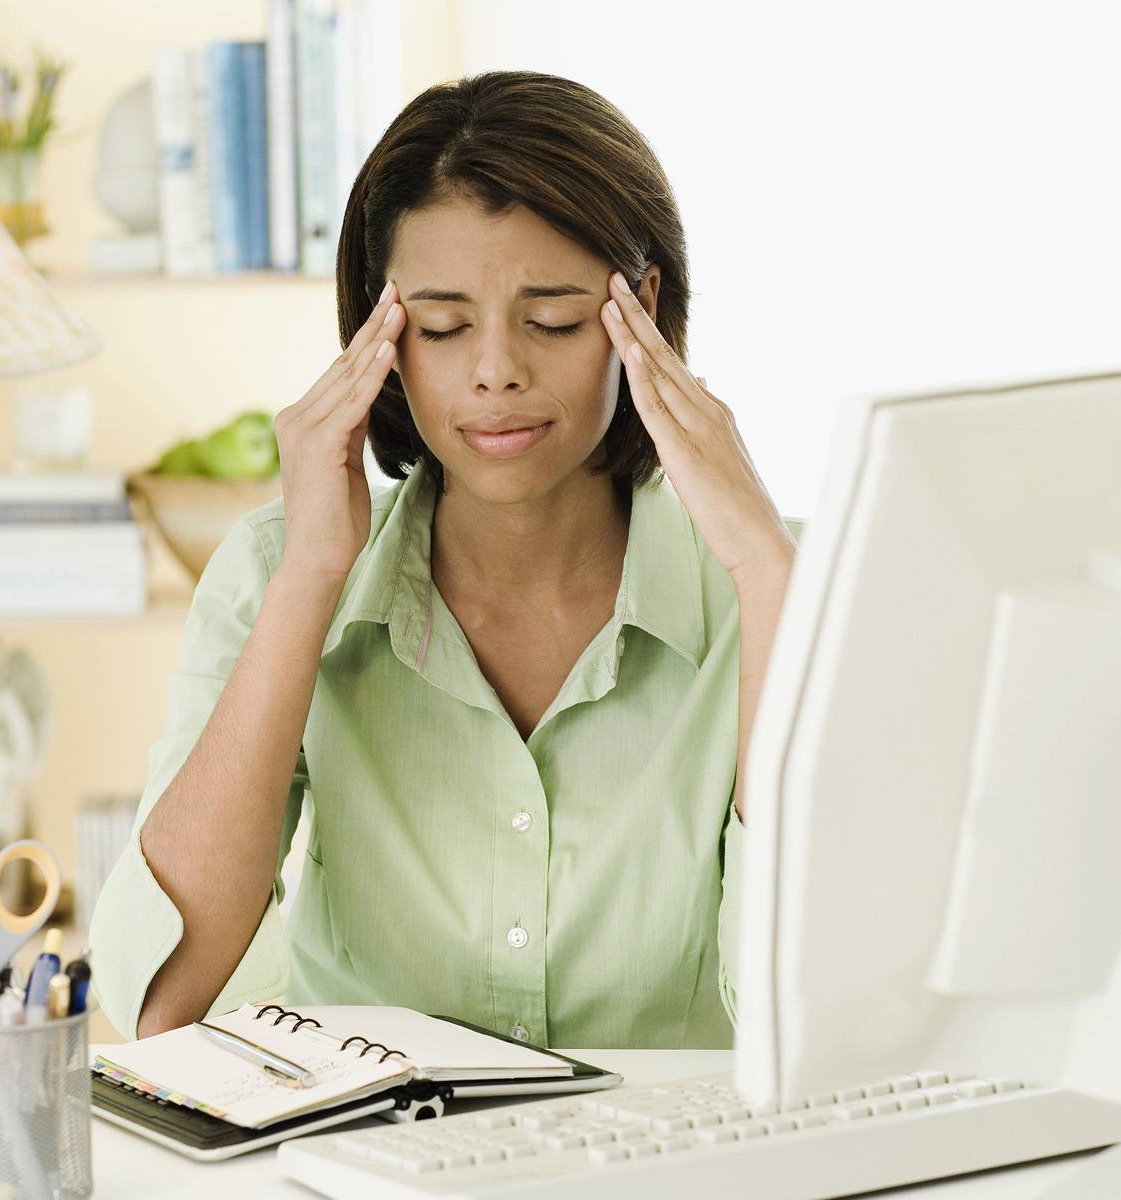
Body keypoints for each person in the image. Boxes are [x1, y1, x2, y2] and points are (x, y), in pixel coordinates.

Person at [91, 70, 799, 1049]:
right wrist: (308, 581)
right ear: (378, 339)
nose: (495, 368)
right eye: (441, 325)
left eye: (550, 318)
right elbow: (162, 1003)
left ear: (638, 308)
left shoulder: (782, 588)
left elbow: (814, 1013)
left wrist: (770, 584)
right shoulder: (274, 570)